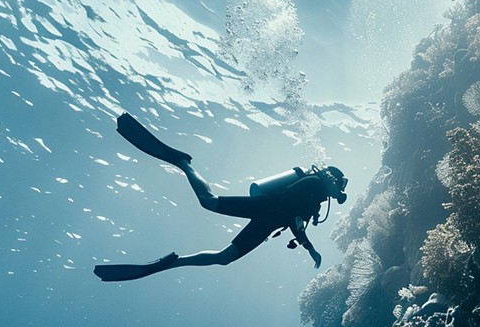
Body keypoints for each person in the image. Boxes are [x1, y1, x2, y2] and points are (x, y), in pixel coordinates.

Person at [93, 113, 348, 282]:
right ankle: (184, 162)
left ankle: (174, 263)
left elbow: (296, 223)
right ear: (332, 179)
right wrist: (307, 242)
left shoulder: (316, 201)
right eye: (340, 184)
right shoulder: (314, 183)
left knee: (225, 258)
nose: (340, 190)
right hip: (265, 207)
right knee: (208, 201)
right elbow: (291, 206)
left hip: (268, 223)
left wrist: (310, 248)